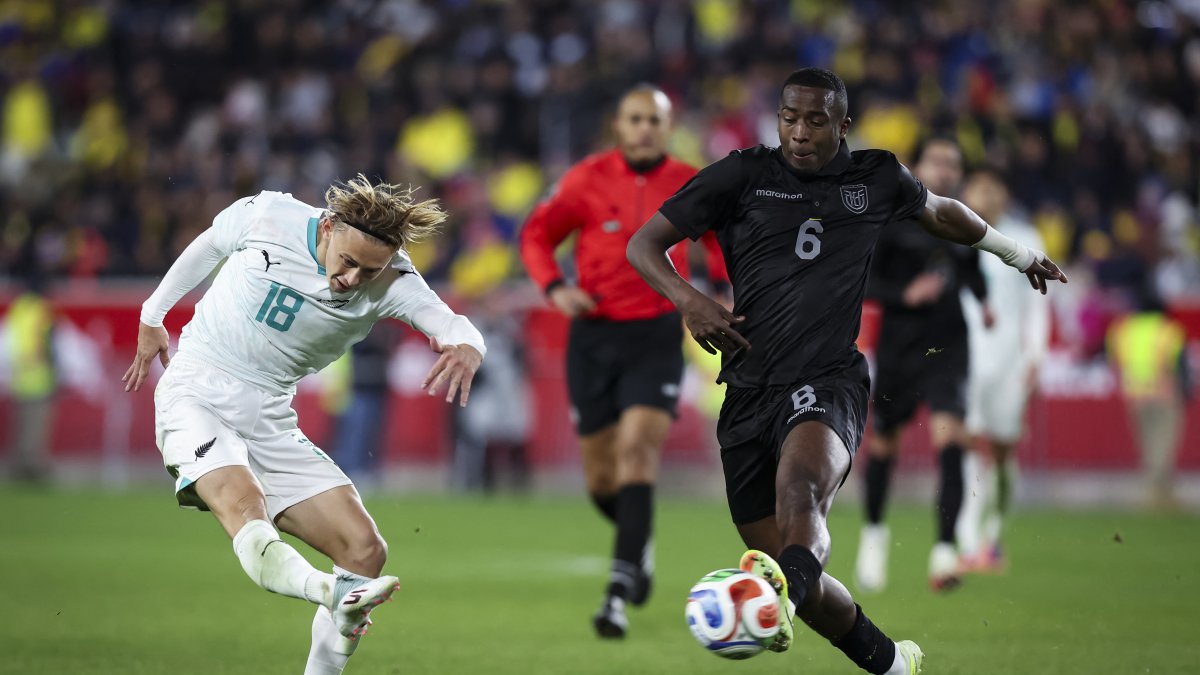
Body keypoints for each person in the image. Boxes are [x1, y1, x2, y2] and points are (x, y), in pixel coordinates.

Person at [627, 67, 1066, 674]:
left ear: (842, 124)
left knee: (801, 493)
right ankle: (891, 663)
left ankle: (775, 597)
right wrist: (691, 300)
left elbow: (942, 214)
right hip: (749, 390)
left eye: (815, 120)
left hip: (829, 380)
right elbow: (644, 245)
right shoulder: (741, 175)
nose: (800, 132)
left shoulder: (875, 177)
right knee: (794, 576)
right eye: (789, 117)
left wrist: (1016, 254)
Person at [123, 176, 486, 675]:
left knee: (364, 550)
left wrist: (469, 345)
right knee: (245, 506)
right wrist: (153, 313)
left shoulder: (394, 281)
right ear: (329, 226)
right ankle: (333, 592)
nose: (354, 278)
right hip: (198, 389)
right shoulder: (271, 215)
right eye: (348, 261)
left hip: (270, 415)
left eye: (369, 269)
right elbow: (210, 244)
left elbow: (450, 324)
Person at [518, 84, 728, 638]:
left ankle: (615, 593)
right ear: (618, 124)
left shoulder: (689, 179)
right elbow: (538, 235)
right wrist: (554, 288)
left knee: (638, 454)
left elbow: (721, 241)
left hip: (657, 335)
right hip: (592, 338)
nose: (643, 129)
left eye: (653, 120)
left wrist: (729, 289)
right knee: (601, 480)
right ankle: (639, 546)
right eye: (634, 119)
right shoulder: (587, 178)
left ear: (667, 125)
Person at [854, 136, 990, 593]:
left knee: (950, 437)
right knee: (884, 443)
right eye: (938, 161)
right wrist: (903, 296)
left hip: (949, 345)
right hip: (900, 346)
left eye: (953, 163)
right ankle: (873, 536)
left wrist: (985, 301)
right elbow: (865, 278)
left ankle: (945, 551)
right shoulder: (892, 219)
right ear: (918, 166)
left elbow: (972, 271)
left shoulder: (963, 221)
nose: (946, 170)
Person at [956, 167, 1051, 571]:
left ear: (1004, 194)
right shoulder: (955, 232)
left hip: (1011, 360)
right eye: (977, 186)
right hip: (966, 359)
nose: (984, 194)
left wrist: (1036, 357)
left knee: (1002, 451)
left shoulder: (1026, 238)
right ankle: (966, 538)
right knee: (968, 444)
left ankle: (993, 533)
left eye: (992, 187)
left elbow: (1038, 305)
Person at [1107, 284, 1190, 511]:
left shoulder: (1123, 330)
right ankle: (1157, 497)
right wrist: (1185, 393)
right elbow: (1180, 366)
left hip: (1136, 395)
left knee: (1148, 447)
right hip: (1165, 395)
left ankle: (1164, 495)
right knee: (1163, 447)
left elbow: (1114, 359)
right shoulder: (1167, 330)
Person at [4, 274, 58, 482]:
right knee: (36, 425)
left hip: (19, 374)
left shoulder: (18, 308)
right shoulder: (41, 309)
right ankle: (33, 469)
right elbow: (44, 342)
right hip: (38, 375)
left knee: (20, 425)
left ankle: (18, 466)